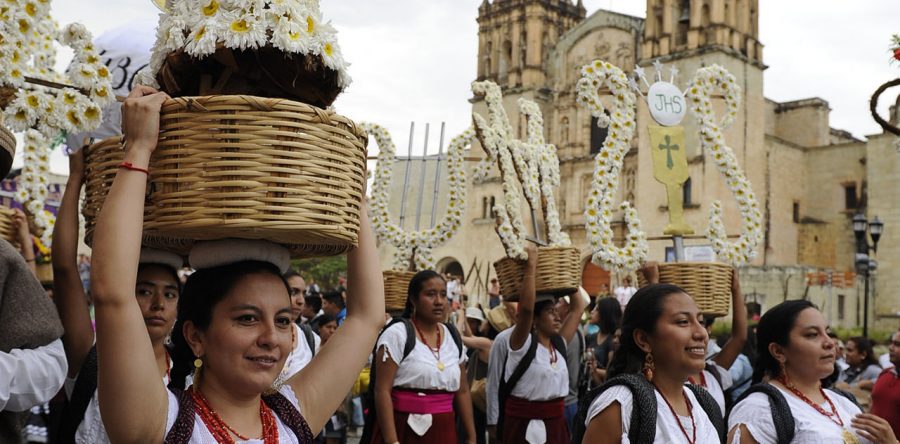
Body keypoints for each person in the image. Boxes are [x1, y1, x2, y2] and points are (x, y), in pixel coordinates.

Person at [90, 85, 385, 443]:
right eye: (247, 318)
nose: (271, 339)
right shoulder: (163, 423)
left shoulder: (291, 416)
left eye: (282, 321)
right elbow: (112, 295)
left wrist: (355, 195)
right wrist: (139, 148)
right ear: (195, 336)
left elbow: (367, 318)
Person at [51, 148, 183, 443]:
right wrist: (75, 180)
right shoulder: (91, 356)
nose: (159, 304)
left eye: (170, 294)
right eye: (144, 291)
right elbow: (63, 269)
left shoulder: (190, 371)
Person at [728, 300, 897, 444]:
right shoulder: (759, 409)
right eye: (812, 335)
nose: (830, 343)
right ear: (778, 351)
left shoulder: (844, 403)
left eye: (828, 332)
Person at [579, 283, 723, 443]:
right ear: (643, 339)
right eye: (683, 321)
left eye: (701, 321)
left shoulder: (703, 403)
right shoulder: (621, 406)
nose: (701, 333)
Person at [365, 270, 476, 444]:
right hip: (403, 429)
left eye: (443, 294)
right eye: (430, 294)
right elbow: (382, 391)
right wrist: (392, 441)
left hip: (445, 431)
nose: (439, 301)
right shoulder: (398, 334)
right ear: (413, 299)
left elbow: (462, 390)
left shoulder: (452, 336)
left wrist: (471, 437)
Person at [496, 245, 586, 444]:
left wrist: (568, 274)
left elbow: (578, 307)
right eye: (549, 312)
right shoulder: (521, 344)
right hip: (523, 426)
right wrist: (531, 266)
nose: (557, 316)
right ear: (535, 319)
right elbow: (526, 309)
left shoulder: (558, 346)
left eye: (556, 311)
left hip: (555, 425)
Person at [456, 306, 491, 444]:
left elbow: (458, 337)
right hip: (477, 400)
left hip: (474, 400)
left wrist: (459, 319)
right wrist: (464, 318)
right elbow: (470, 336)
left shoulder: (486, 343)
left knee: (467, 434)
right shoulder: (489, 342)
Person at [556, 294, 587, 431]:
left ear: (567, 308)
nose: (556, 306)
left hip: (566, 402)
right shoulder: (576, 328)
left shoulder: (571, 334)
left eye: (559, 302)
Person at [585, 297, 621, 387]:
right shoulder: (590, 337)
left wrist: (594, 370)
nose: (592, 312)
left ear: (605, 314)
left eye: (596, 309)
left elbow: (614, 374)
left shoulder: (614, 341)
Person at [870, 330, 900, 438]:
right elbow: (873, 406)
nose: (891, 348)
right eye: (891, 343)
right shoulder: (885, 373)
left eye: (898, 344)